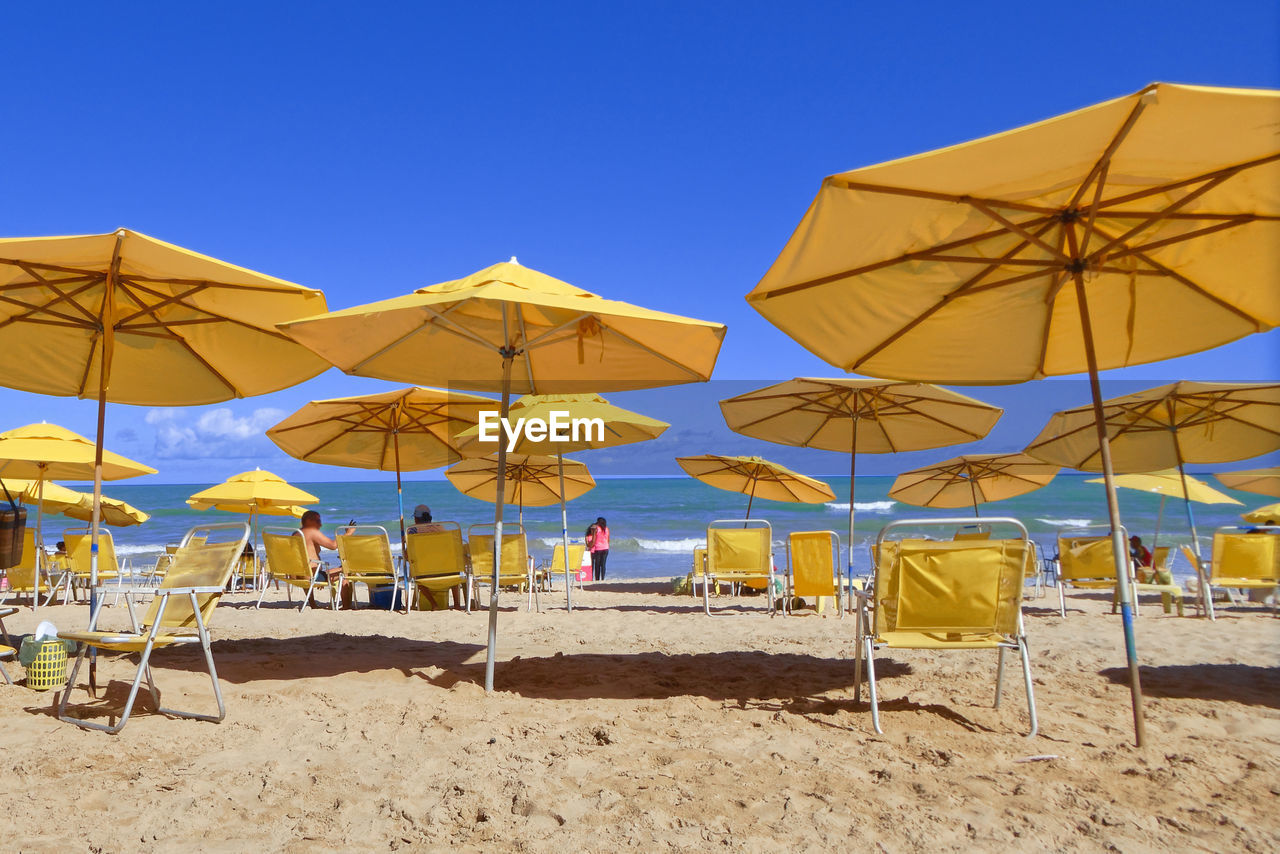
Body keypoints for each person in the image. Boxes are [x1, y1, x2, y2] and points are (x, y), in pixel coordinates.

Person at [406, 504, 464, 610]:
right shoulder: (440, 528)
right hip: (447, 573)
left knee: (416, 573)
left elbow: (408, 555)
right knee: (455, 569)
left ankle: (434, 604)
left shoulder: (412, 531)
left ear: (416, 518)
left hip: (424, 576)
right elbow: (449, 549)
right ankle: (456, 604)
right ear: (429, 517)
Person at [299, 510, 353, 609]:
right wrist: (348, 533)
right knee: (345, 570)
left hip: (297, 575)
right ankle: (346, 606)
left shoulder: (297, 533)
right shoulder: (312, 532)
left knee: (321, 571)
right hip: (312, 577)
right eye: (318, 521)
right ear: (309, 521)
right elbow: (333, 545)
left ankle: (312, 604)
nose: (321, 524)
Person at [588, 516, 610, 582]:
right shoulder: (607, 529)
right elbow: (608, 539)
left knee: (597, 564)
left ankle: (597, 579)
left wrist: (591, 545)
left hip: (598, 548)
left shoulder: (596, 529)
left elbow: (594, 539)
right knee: (603, 564)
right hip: (606, 548)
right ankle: (603, 578)